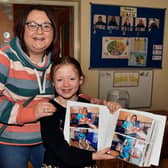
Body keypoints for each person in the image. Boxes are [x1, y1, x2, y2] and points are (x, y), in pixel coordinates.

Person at [0, 5, 58, 168]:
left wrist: (98, 103)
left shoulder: (55, 64)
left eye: (46, 26)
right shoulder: (4, 57)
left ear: (53, 32)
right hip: (10, 142)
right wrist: (30, 113)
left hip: (46, 138)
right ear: (21, 29)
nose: (40, 31)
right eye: (32, 25)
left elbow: (67, 93)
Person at [40, 56, 121, 168]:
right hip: (58, 164)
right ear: (53, 82)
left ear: (80, 80)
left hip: (86, 163)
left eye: (72, 79)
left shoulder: (90, 106)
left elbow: (108, 133)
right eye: (59, 80)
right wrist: (94, 156)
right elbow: (60, 150)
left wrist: (114, 111)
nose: (66, 84)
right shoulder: (47, 110)